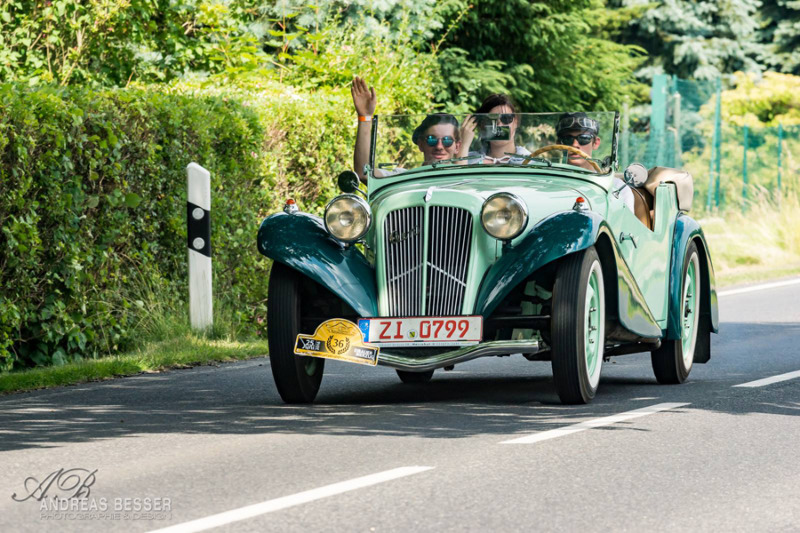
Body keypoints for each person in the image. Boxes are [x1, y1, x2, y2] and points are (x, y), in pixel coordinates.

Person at [351, 76, 461, 182]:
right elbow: (363, 173)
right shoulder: (403, 179)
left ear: (457, 147)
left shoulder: (470, 183)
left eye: (447, 140)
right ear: (421, 144)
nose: (439, 146)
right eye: (431, 139)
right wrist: (365, 117)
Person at [556, 112, 635, 211]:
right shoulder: (547, 184)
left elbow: (624, 225)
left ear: (596, 143)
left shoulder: (616, 188)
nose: (575, 144)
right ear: (559, 144)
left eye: (584, 138)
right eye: (567, 139)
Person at [457, 94, 531, 164]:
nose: (499, 125)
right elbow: (458, 177)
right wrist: (464, 145)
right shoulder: (468, 160)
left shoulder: (531, 161)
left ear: (516, 122)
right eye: (492, 120)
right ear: (483, 125)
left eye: (506, 118)